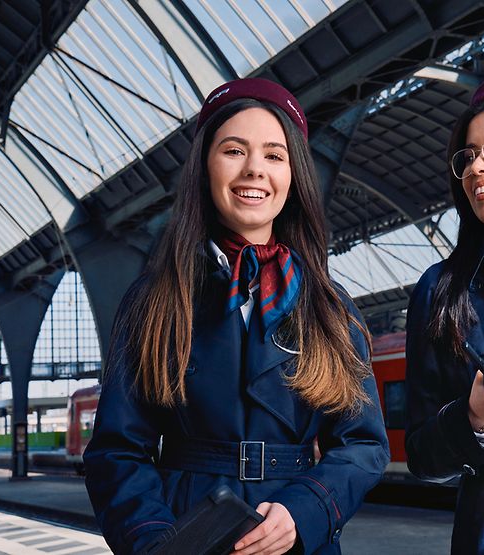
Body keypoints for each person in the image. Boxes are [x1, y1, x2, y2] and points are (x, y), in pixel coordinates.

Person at [84, 77, 389, 555]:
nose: (254, 171)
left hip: (294, 536)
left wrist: (305, 509)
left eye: (274, 155)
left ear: (293, 176)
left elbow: (364, 444)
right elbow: (116, 450)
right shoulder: (154, 300)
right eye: (233, 151)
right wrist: (155, 541)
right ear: (205, 168)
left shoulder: (330, 307)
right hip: (188, 529)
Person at [405, 71, 484, 554]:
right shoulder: (440, 290)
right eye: (469, 155)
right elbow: (420, 456)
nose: (478, 167)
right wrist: (474, 417)